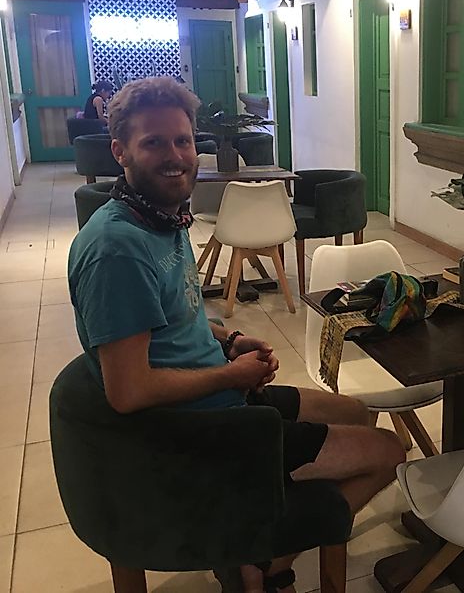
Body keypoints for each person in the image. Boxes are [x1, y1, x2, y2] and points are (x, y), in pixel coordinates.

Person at [67, 76, 406, 593]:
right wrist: (232, 373)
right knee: (388, 452)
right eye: (153, 142)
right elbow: (129, 391)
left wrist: (225, 339)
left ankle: (255, 543)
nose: (175, 155)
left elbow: (174, 317)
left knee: (355, 412)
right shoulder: (119, 249)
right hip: (202, 434)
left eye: (182, 141)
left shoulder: (160, 218)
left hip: (223, 397)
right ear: (120, 151)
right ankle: (263, 558)